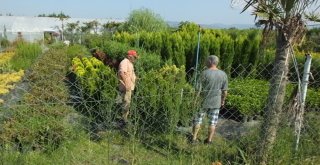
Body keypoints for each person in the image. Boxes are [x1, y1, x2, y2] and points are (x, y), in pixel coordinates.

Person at [192, 55, 228, 144]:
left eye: (206, 61)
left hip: (203, 101)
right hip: (216, 102)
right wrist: (223, 100)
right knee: (213, 122)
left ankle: (194, 139)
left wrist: (195, 100)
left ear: (210, 62)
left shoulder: (204, 73)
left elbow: (198, 90)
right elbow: (225, 91)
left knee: (198, 120)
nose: (205, 62)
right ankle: (209, 140)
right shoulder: (223, 74)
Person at [117, 50, 138, 125]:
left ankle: (122, 119)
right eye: (134, 57)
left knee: (123, 103)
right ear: (130, 56)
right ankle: (123, 121)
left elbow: (129, 74)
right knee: (125, 103)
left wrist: (135, 78)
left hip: (128, 87)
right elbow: (121, 72)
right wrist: (127, 84)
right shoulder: (125, 62)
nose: (135, 59)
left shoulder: (129, 63)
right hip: (125, 88)